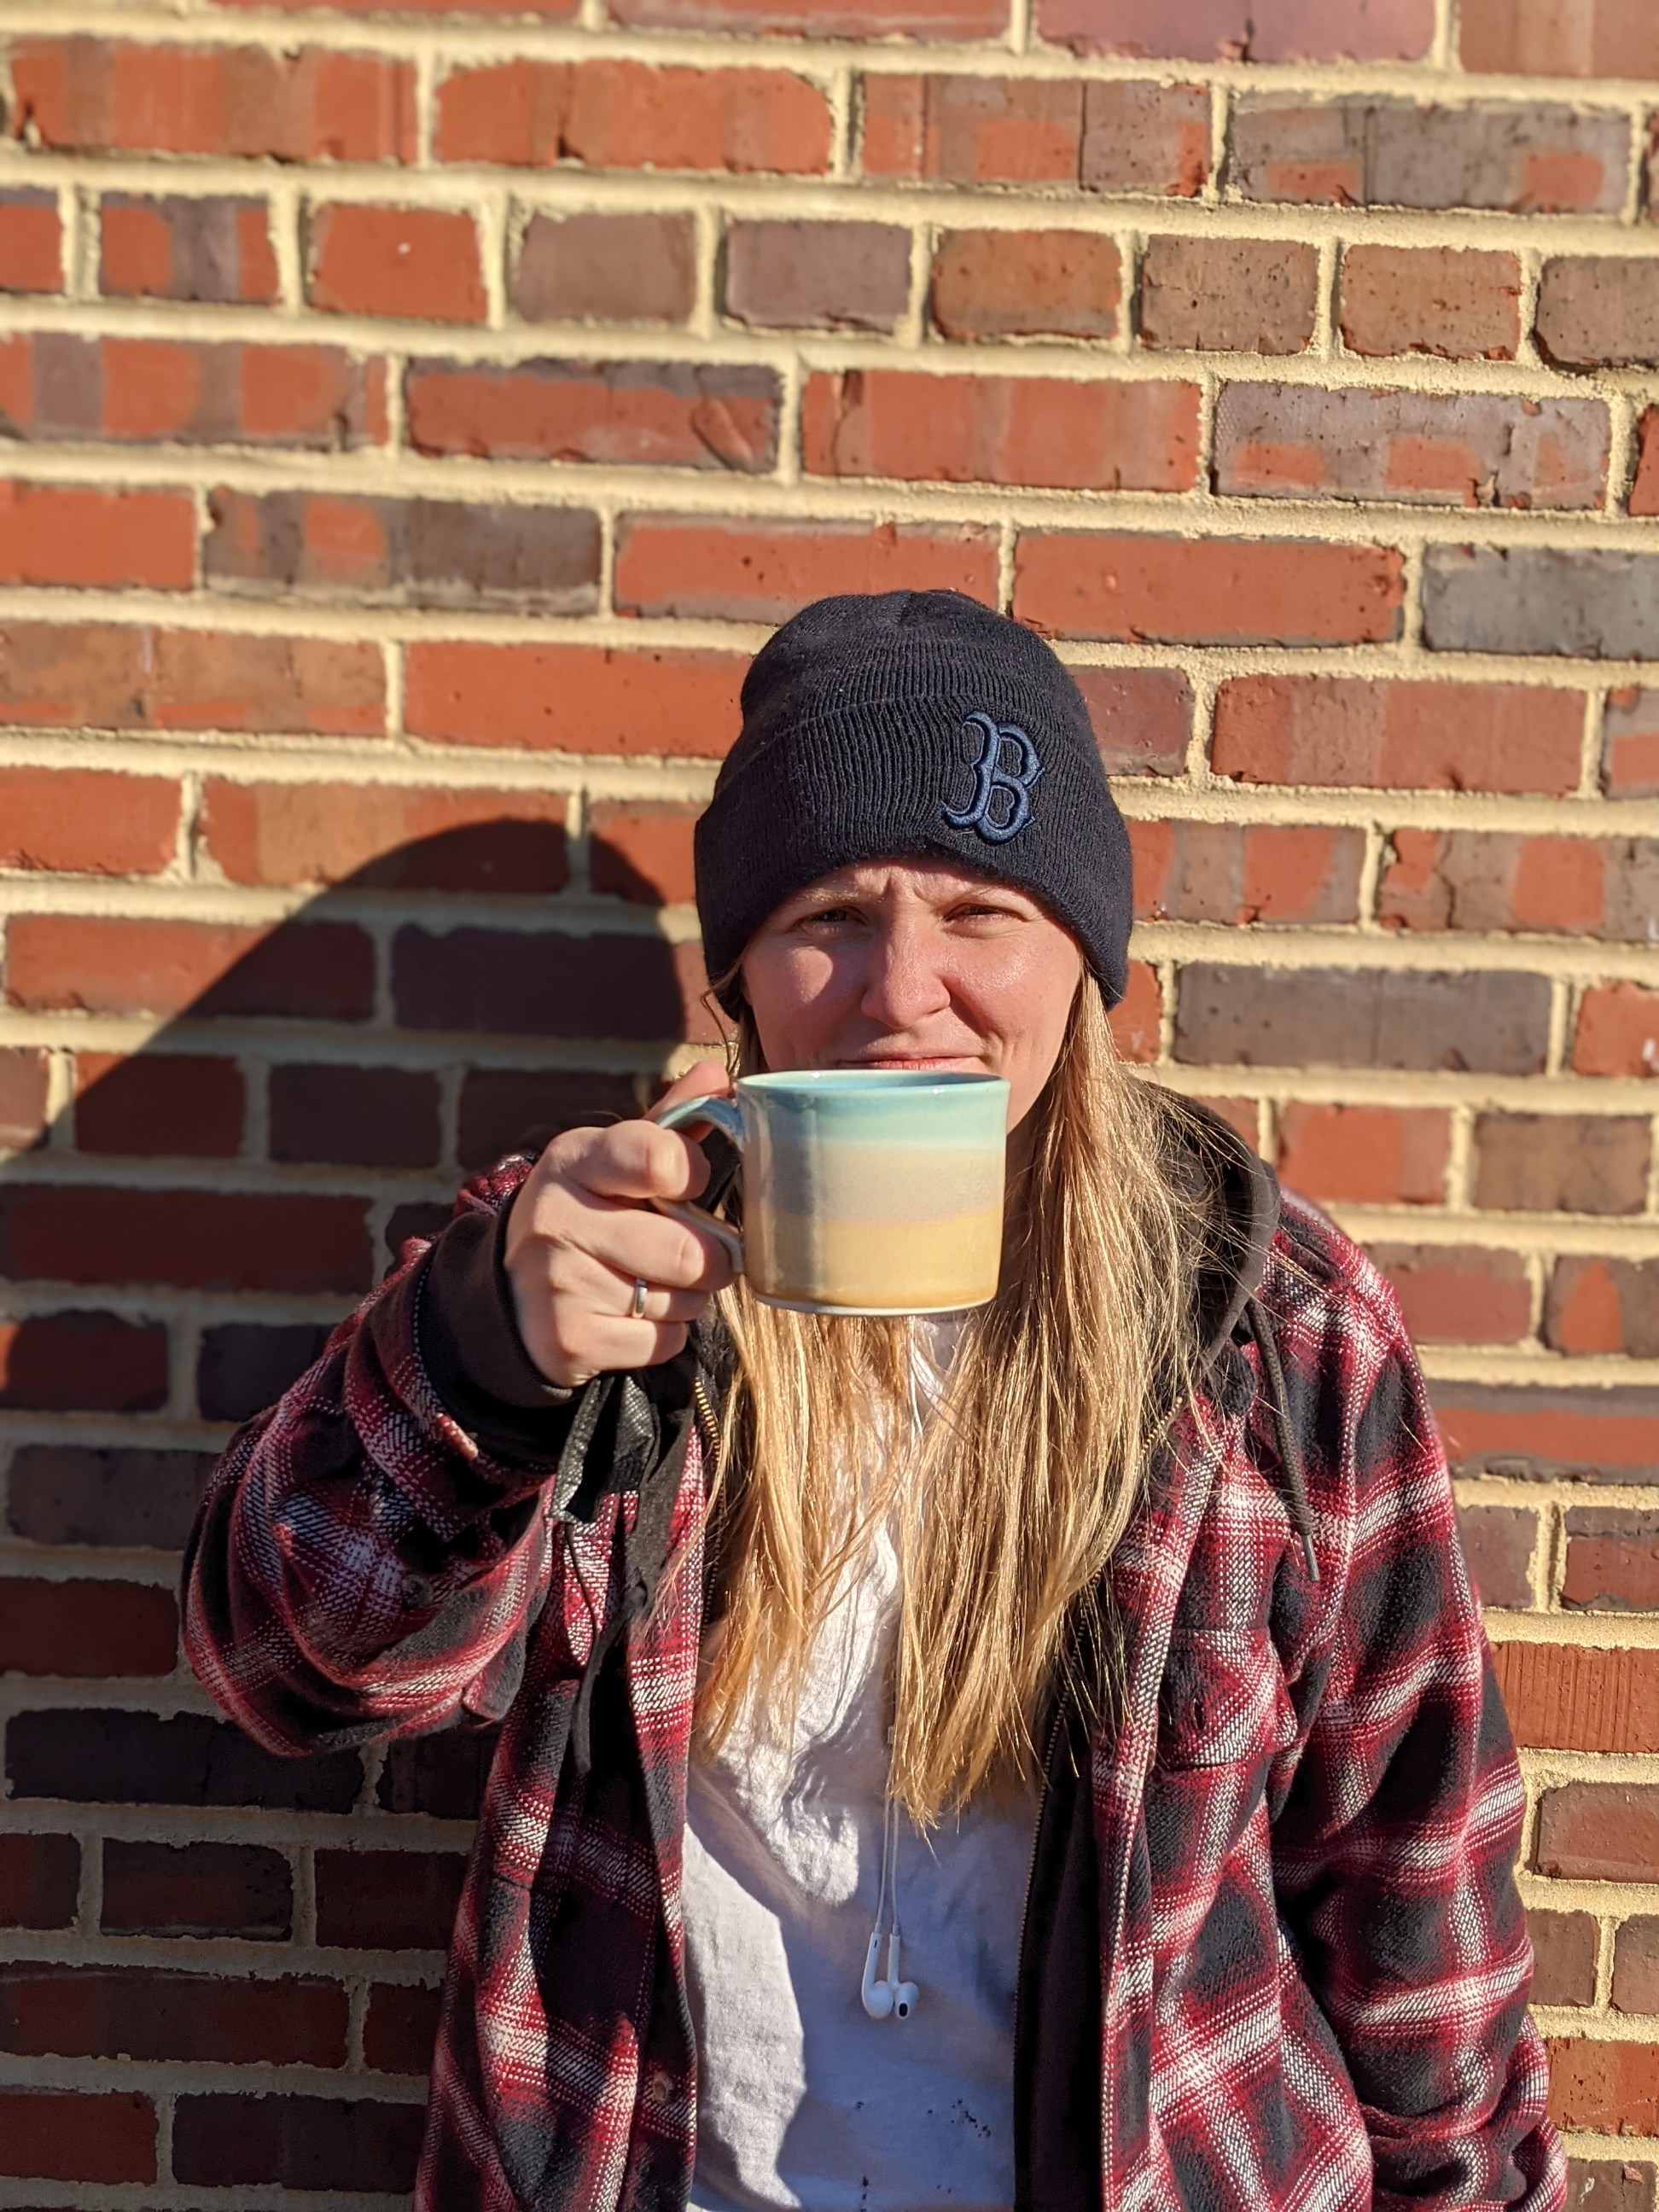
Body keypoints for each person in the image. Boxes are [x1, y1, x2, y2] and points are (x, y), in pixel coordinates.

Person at [183, 591, 1564, 2212]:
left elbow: (1416, 1884)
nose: (903, 991)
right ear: (744, 983)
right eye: (831, 911)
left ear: (1082, 967)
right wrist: (484, 1350)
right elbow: (283, 1665)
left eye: (982, 911)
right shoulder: (599, 1271)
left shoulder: (1272, 1327)